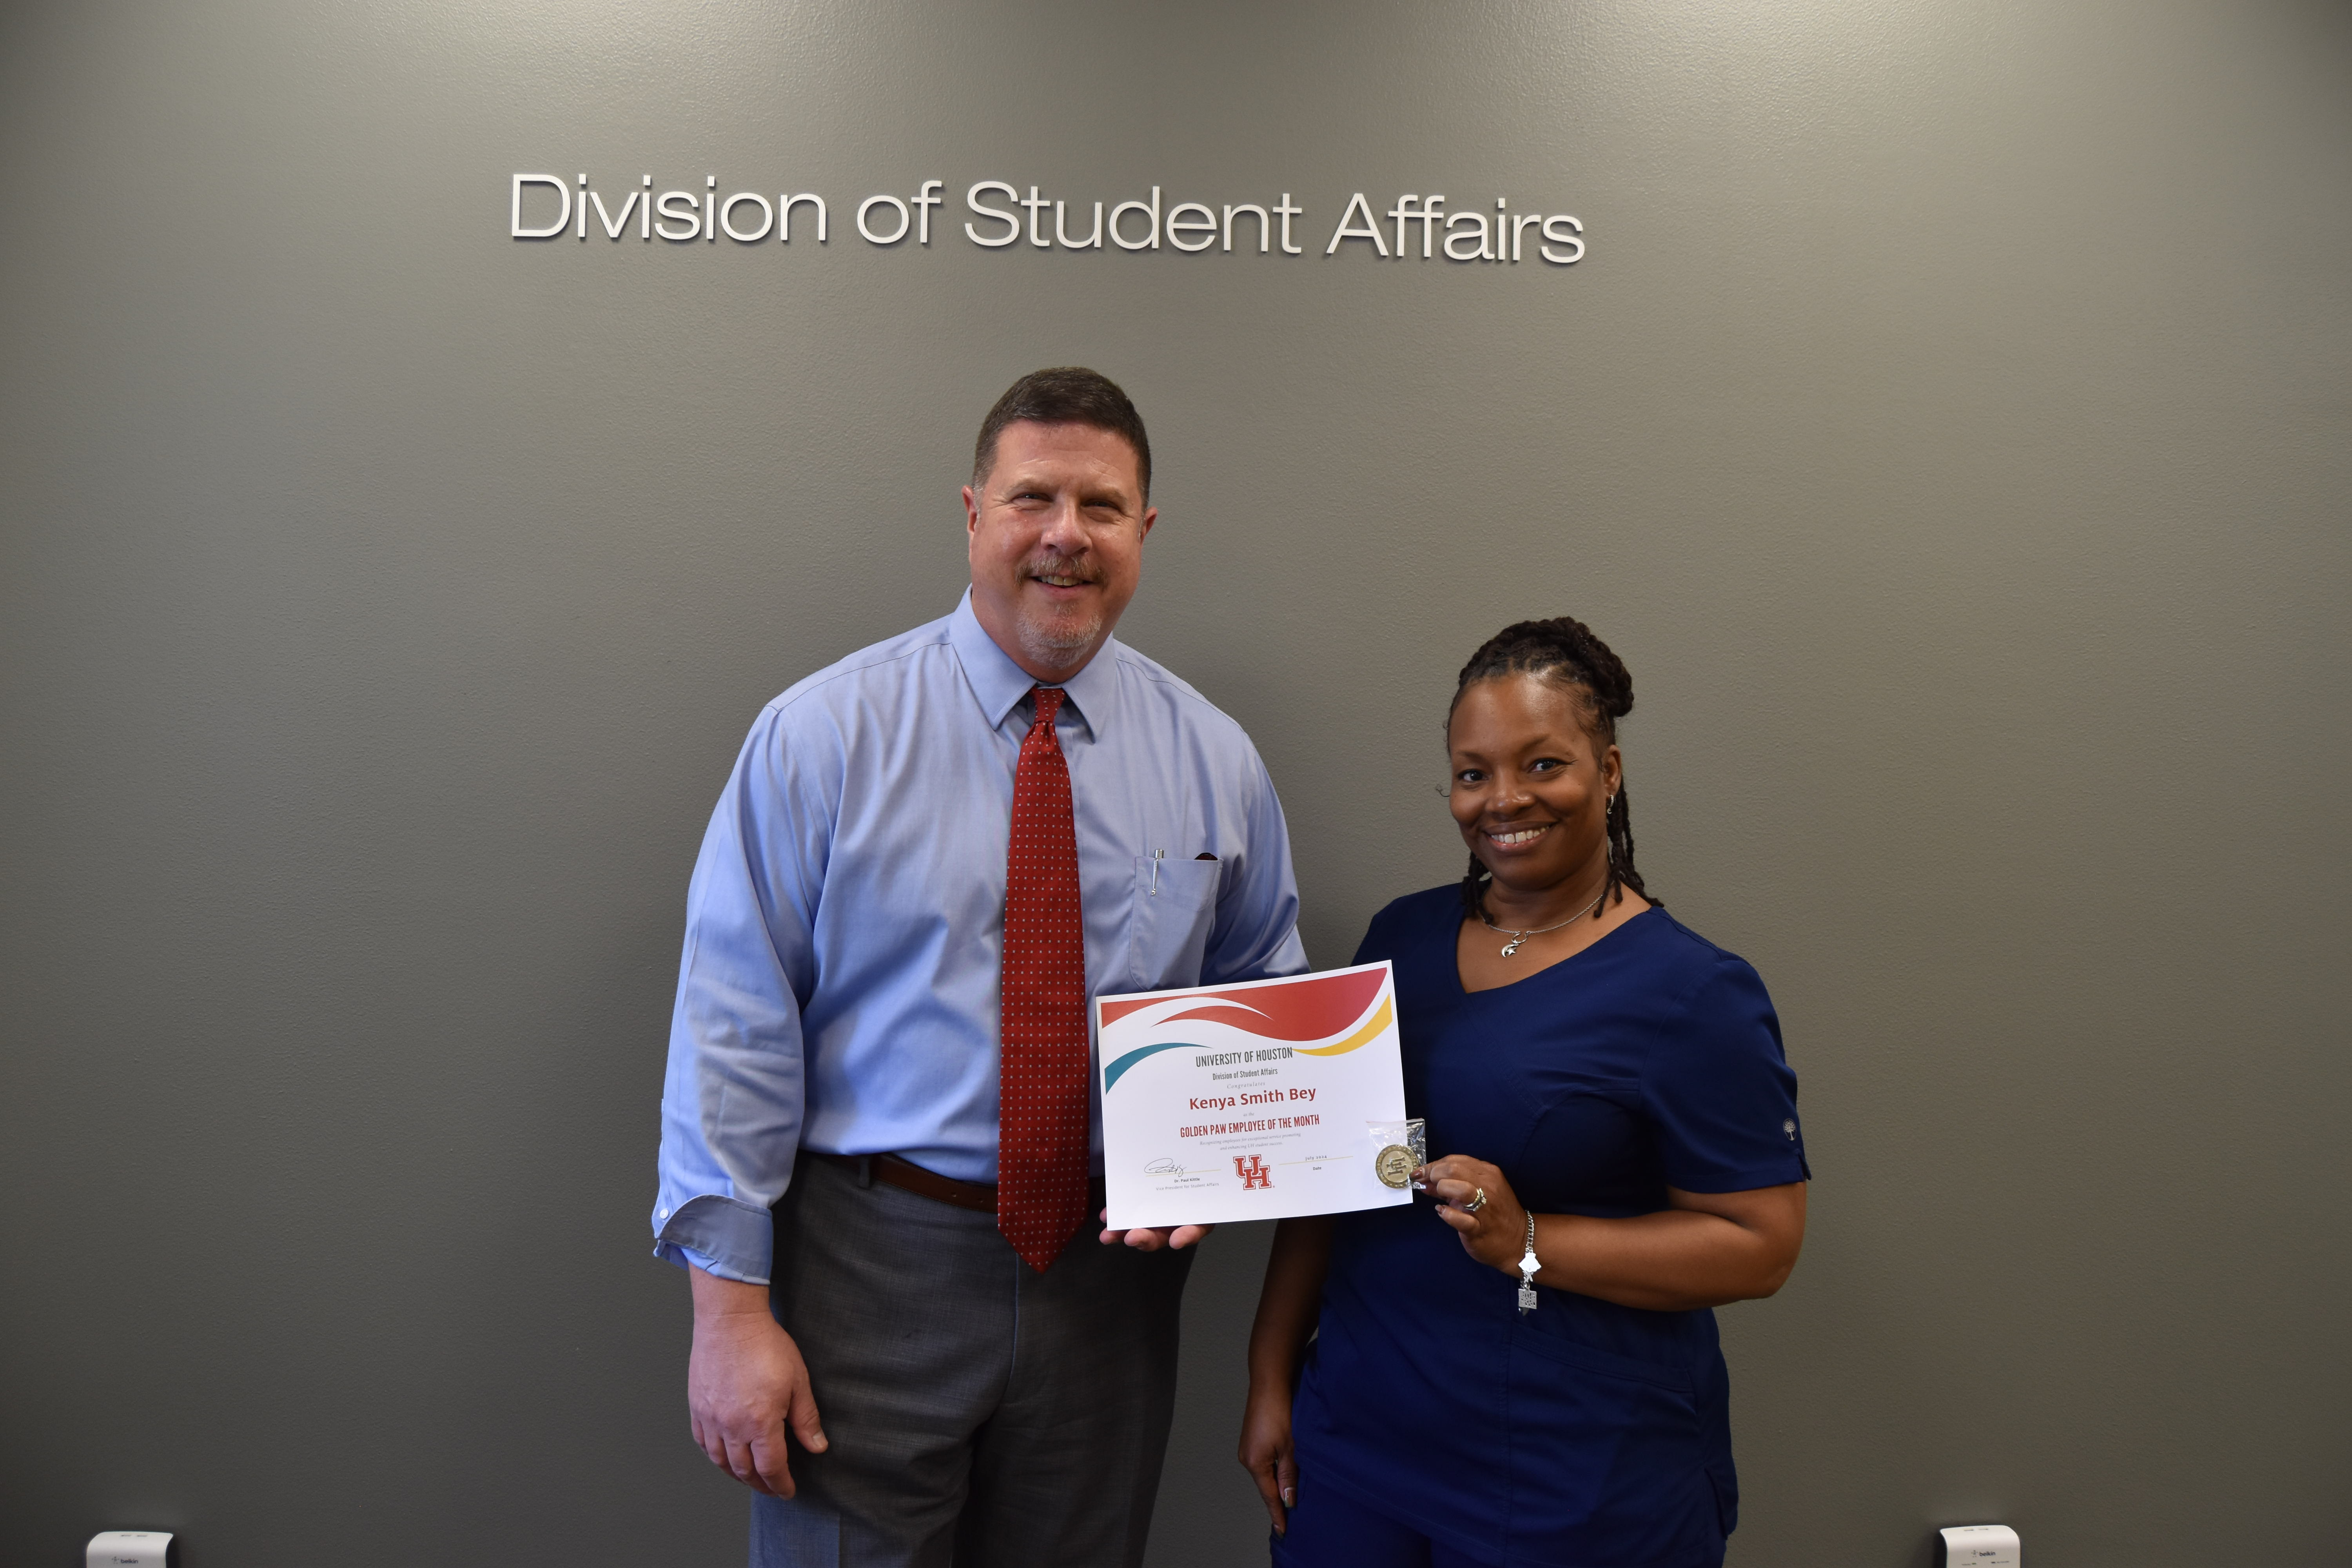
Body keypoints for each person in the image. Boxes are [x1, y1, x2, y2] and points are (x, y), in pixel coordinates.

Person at [653, 367, 1308, 1567]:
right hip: (871, 1268)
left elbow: (1261, 987)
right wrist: (730, 1313)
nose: (1067, 534)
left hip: (1109, 1288)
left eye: (1102, 506)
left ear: (1144, 532)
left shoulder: (1215, 758)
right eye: (1033, 498)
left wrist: (1220, 1161)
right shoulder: (826, 735)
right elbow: (733, 1025)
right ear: (973, 514)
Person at [1238, 616, 1809, 1568]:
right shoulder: (1401, 938)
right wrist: (1269, 1373)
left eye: (1543, 764)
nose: (1503, 799)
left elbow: (1761, 1246)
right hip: (1358, 1440)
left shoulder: (1694, 990)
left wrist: (1533, 1241)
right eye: (1473, 772)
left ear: (1611, 771)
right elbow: (1324, 1176)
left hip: (1573, 1472)